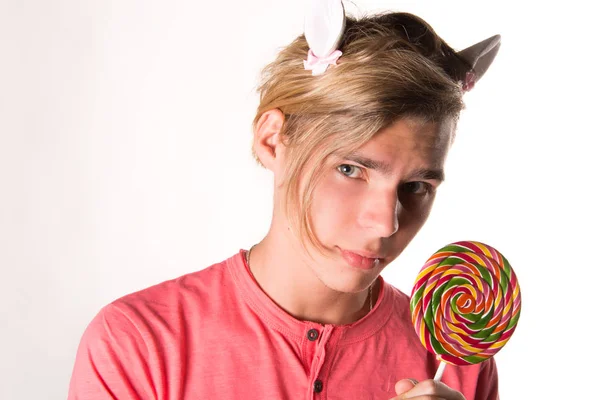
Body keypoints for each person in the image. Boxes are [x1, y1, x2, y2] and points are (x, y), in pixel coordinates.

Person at [68, 1, 502, 399]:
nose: (385, 223)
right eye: (351, 170)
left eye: (416, 187)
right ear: (273, 140)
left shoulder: (457, 364)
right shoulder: (139, 344)